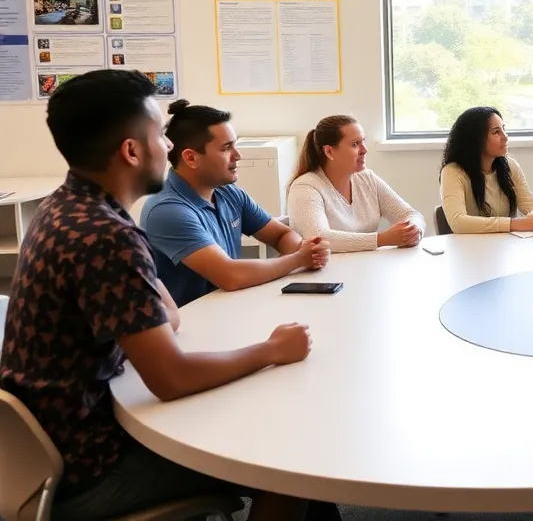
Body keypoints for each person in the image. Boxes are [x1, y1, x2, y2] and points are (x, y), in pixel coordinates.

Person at [0, 70, 311, 520]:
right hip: (91, 466)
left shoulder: (66, 207)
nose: (167, 148)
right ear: (131, 150)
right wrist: (272, 349)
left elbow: (169, 317)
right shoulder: (107, 236)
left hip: (43, 448)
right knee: (287, 459)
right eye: (158, 136)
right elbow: (173, 378)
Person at [141, 100, 330, 306]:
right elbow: (230, 276)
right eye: (226, 148)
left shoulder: (228, 192)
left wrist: (302, 250)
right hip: (190, 326)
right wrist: (298, 259)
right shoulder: (167, 211)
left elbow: (281, 234)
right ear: (191, 158)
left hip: (229, 308)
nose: (238, 156)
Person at [287, 115, 425, 253]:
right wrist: (382, 239)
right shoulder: (305, 187)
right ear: (329, 151)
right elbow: (319, 239)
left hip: (364, 266)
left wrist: (413, 230)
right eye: (354, 144)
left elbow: (410, 214)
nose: (364, 150)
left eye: (363, 141)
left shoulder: (367, 178)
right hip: (324, 272)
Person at [439, 106, 533, 234]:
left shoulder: (510, 165)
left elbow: (530, 205)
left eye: (504, 129)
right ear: (476, 139)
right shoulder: (452, 172)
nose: (505, 137)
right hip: (469, 249)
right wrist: (514, 224)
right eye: (496, 132)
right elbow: (458, 222)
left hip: (505, 247)